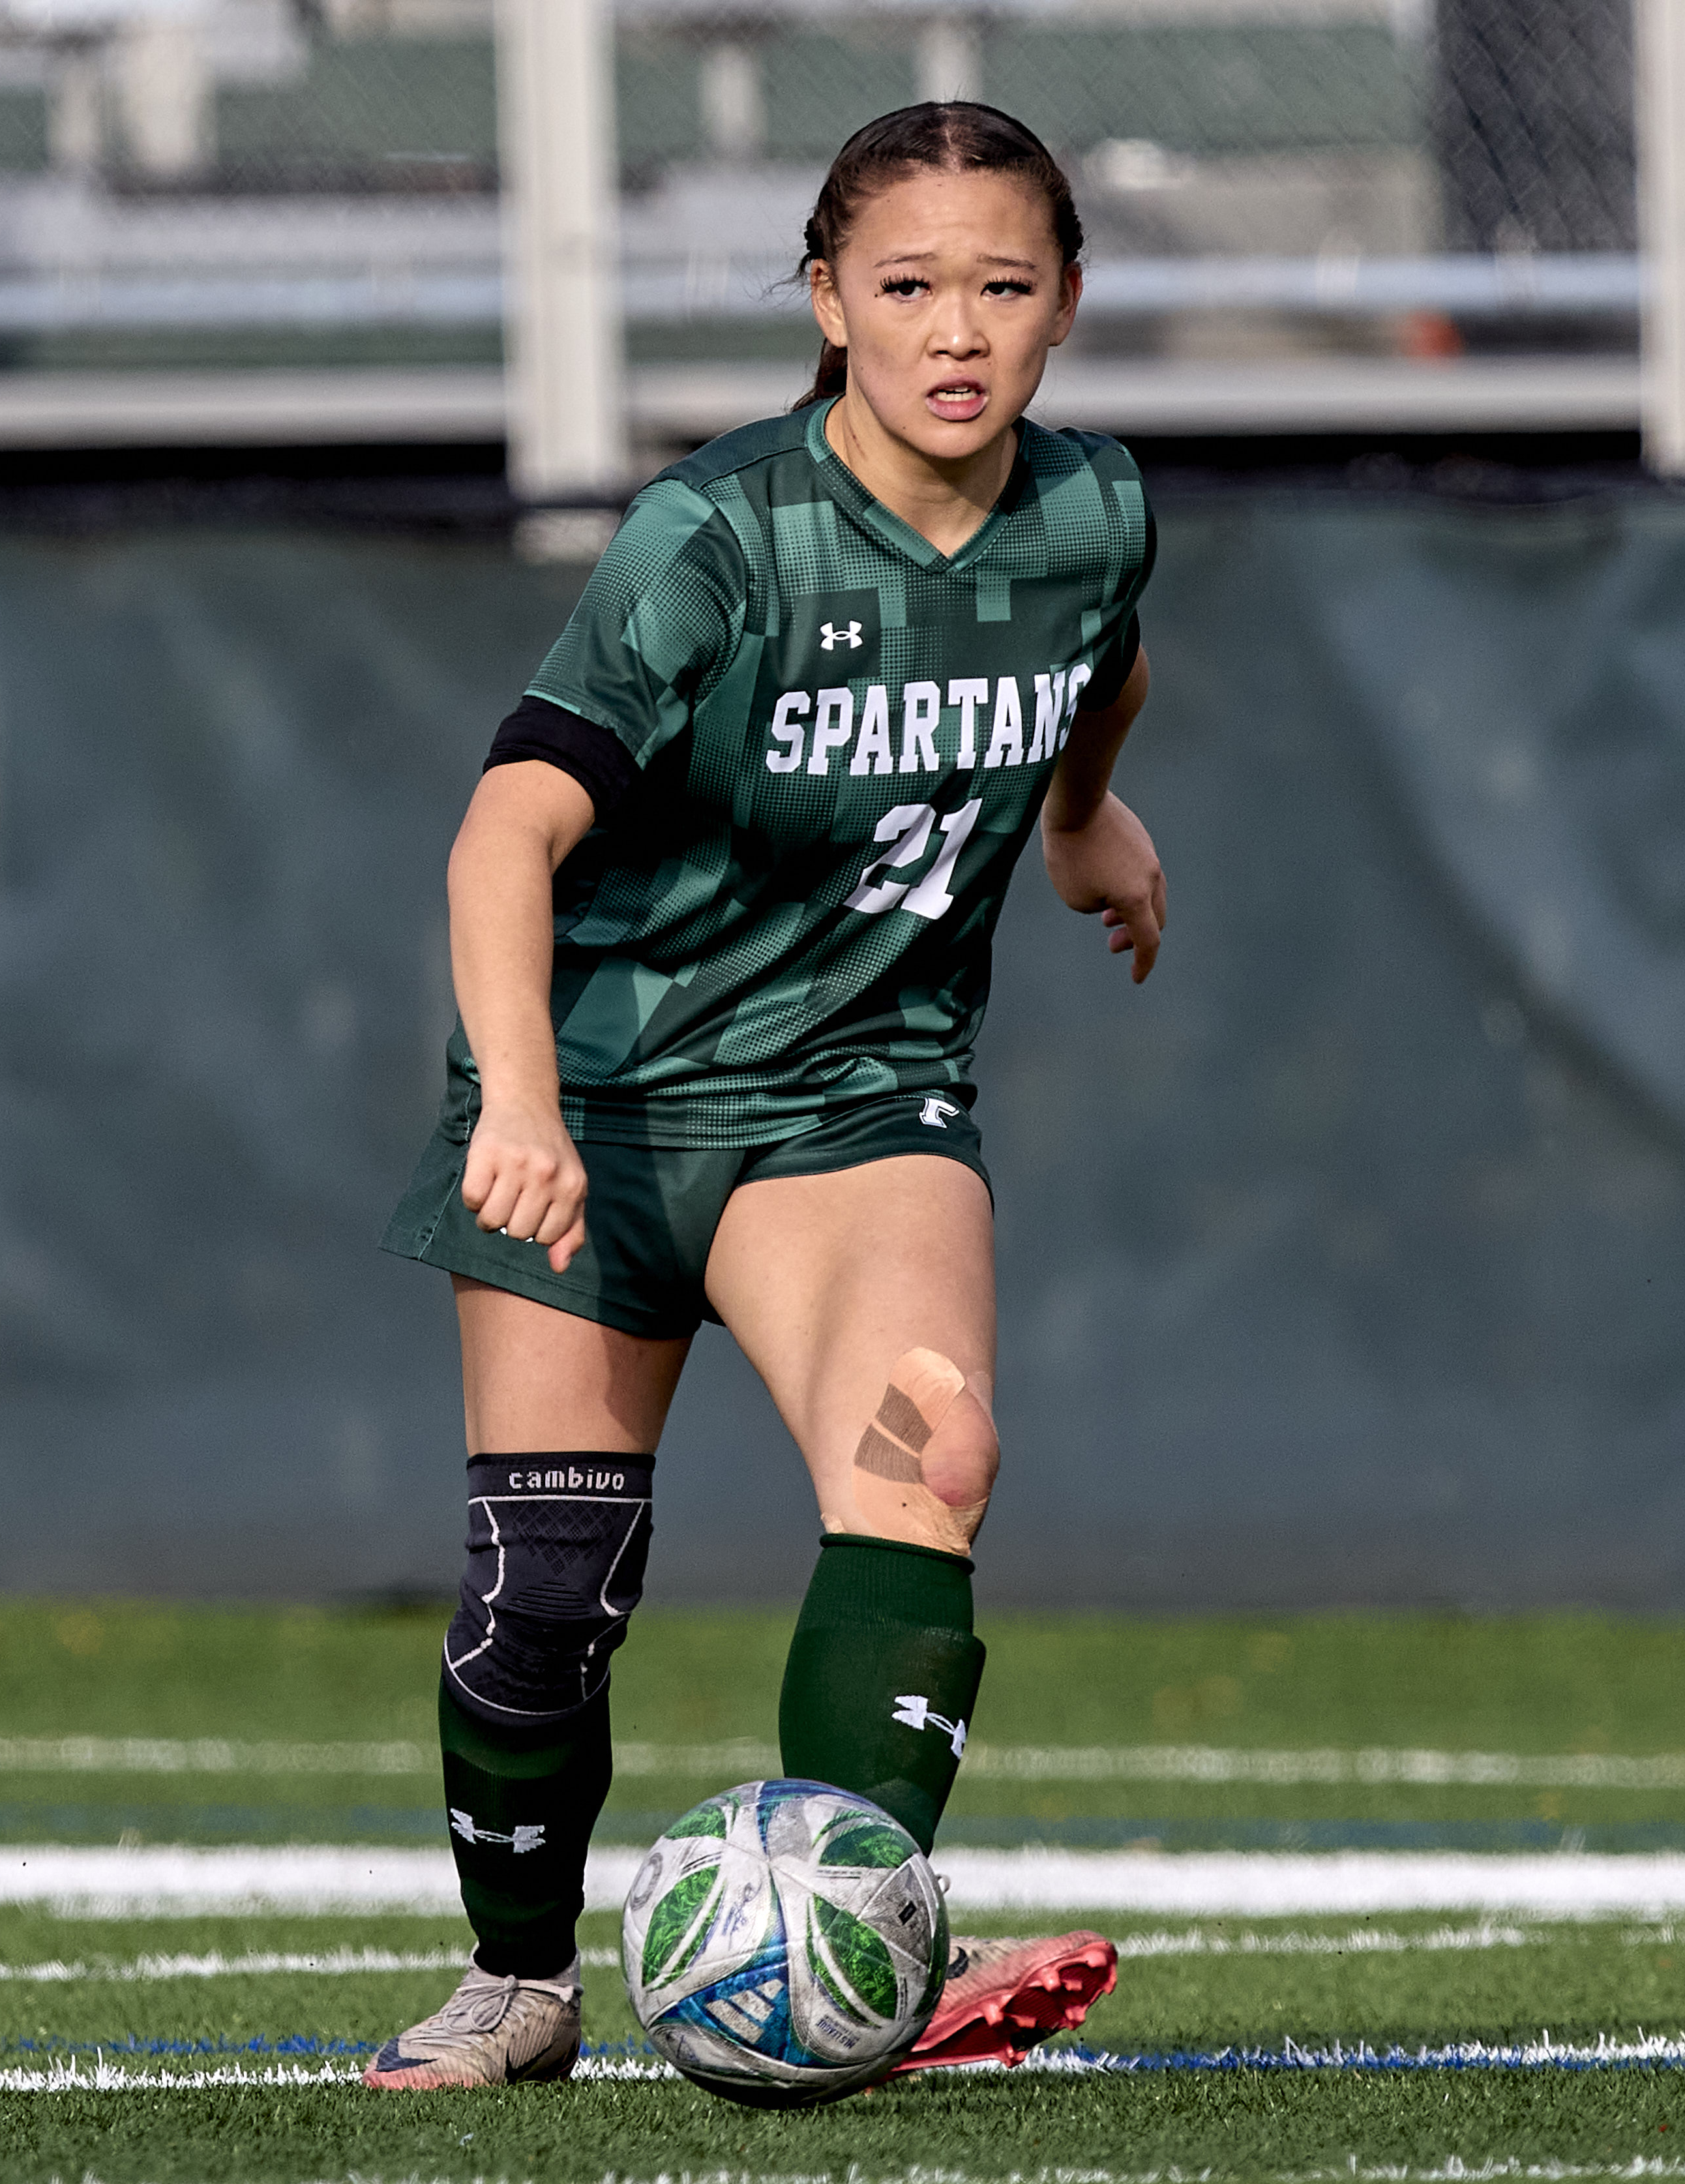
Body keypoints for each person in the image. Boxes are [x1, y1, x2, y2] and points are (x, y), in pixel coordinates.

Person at [366, 99, 1165, 2092]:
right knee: (544, 1594)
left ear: (1069, 301)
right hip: (609, 1094)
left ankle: (851, 1953)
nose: (956, 329)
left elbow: (1099, 659)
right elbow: (498, 839)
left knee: (934, 1460)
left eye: (1003, 285)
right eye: (906, 287)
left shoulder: (1093, 512)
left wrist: (1082, 822)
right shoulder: (714, 537)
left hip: (856, 1094)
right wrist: (525, 1110)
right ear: (828, 302)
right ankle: (520, 1978)